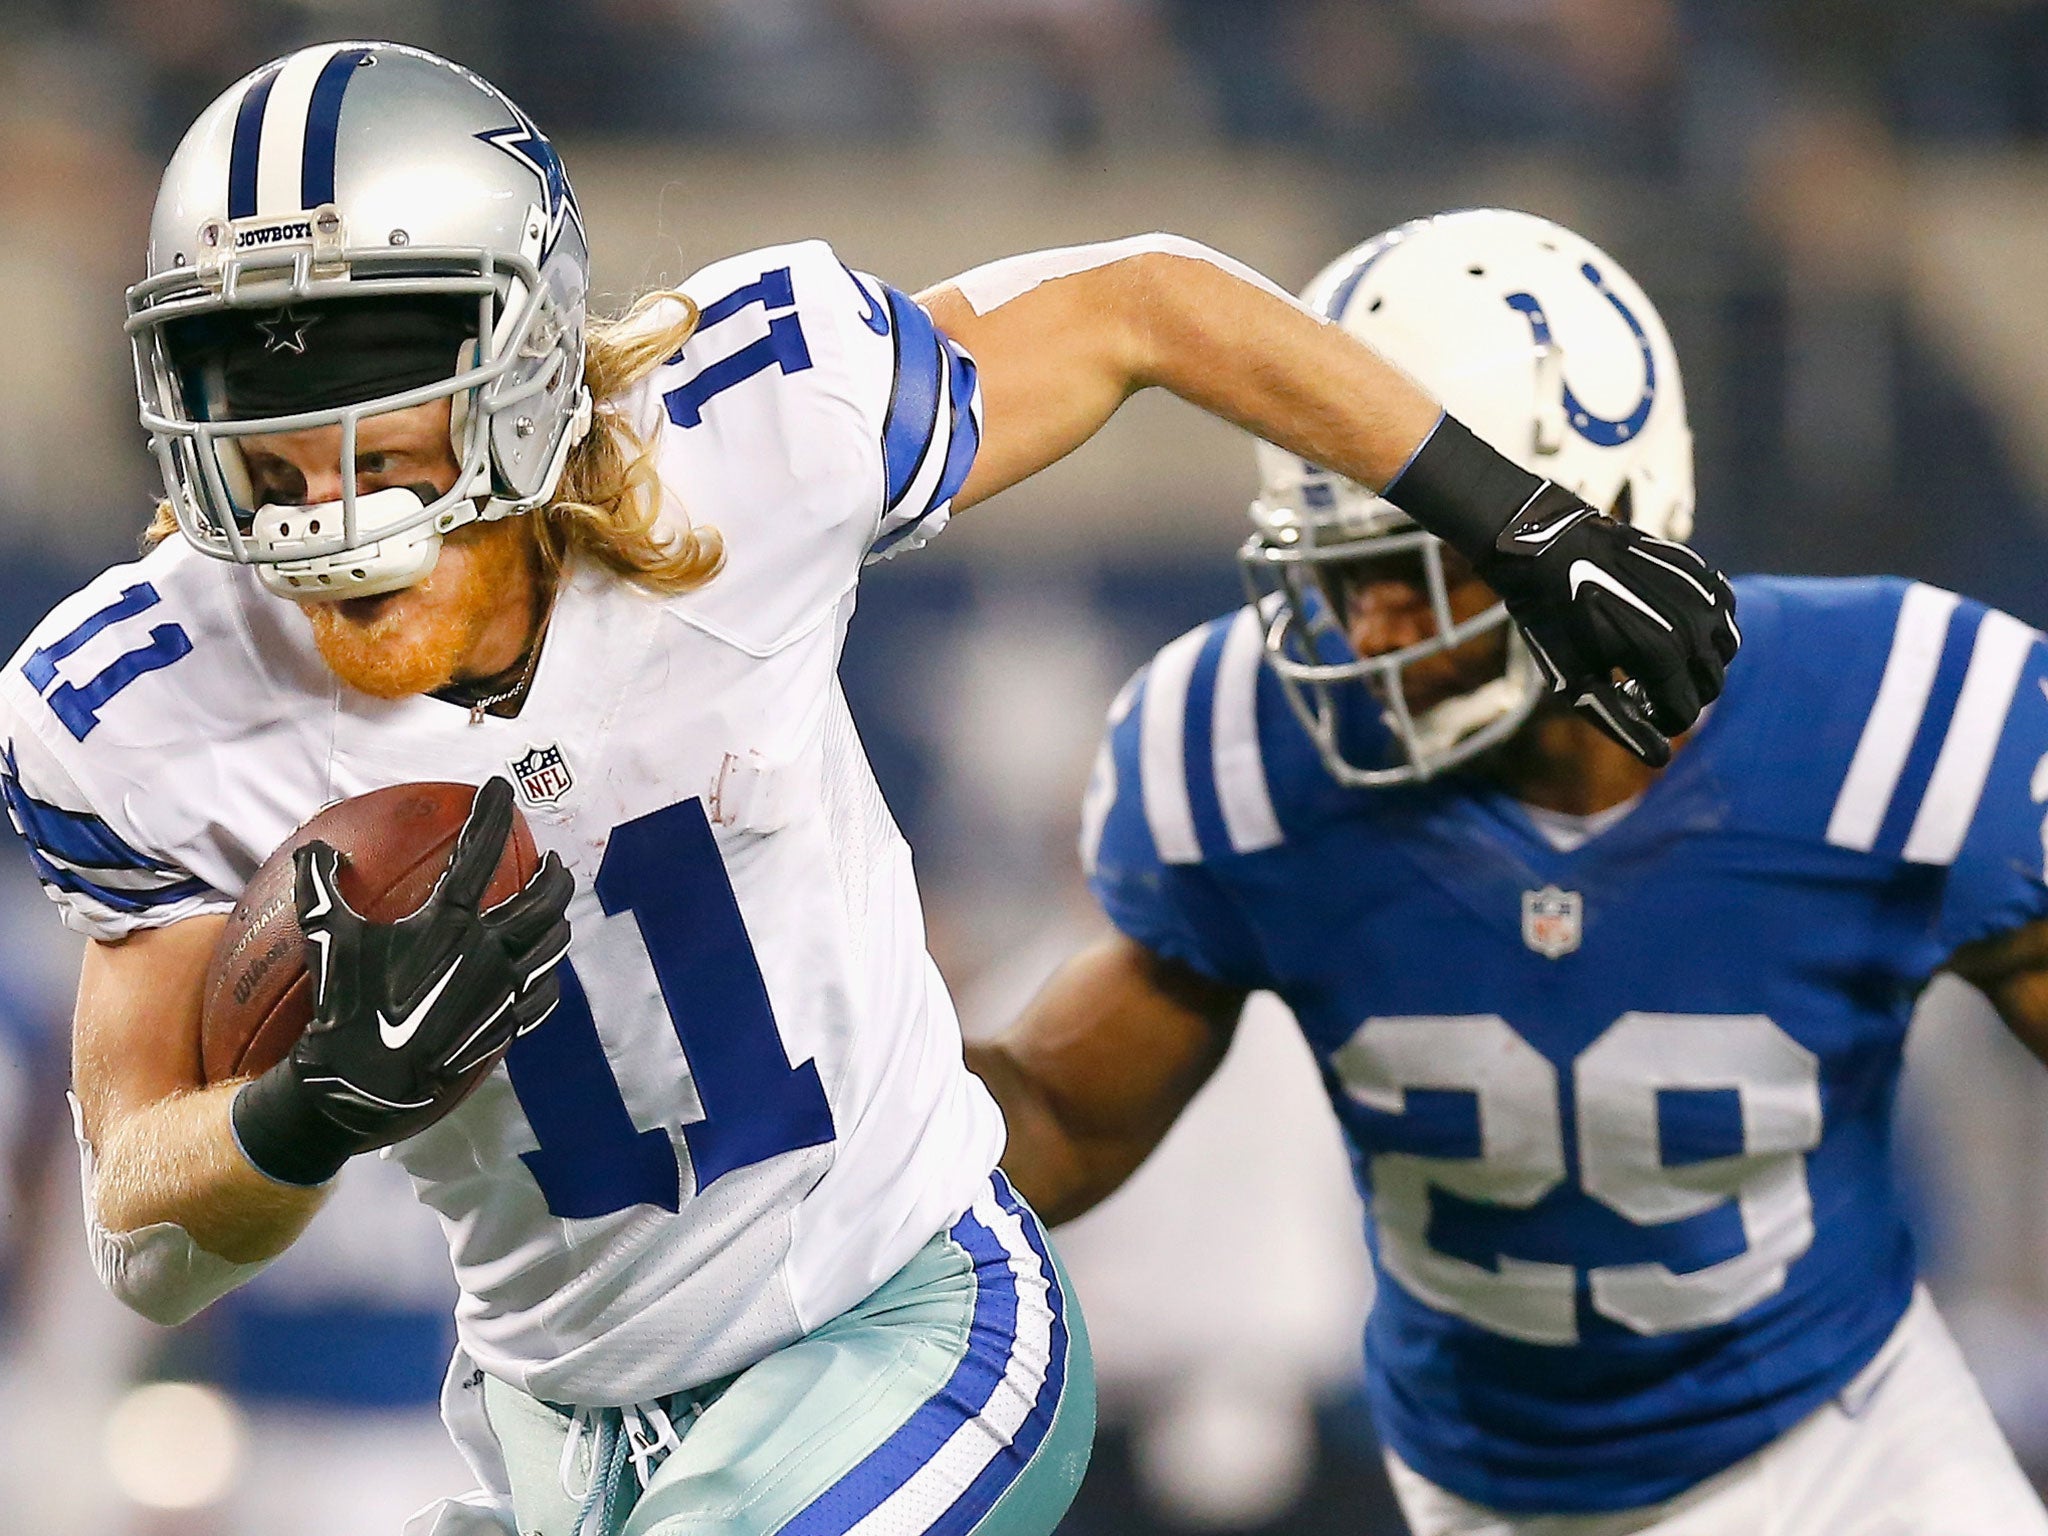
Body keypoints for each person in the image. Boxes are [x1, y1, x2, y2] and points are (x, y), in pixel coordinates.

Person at [0, 36, 1731, 1536]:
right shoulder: (139, 710)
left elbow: (1145, 304)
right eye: (263, 400)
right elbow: (149, 1238)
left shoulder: (757, 431)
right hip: (553, 1426)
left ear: (522, 358)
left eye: (384, 401)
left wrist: (1510, 518)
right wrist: (309, 1114)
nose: (321, 488)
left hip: (903, 1316)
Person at [970, 208, 2048, 1535]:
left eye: (1418, 576)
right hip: (1483, 1493)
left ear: (1616, 526)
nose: (1369, 631)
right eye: (1340, 577)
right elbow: (1064, 1120)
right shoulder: (1244, 758)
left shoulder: (1890, 720)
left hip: (1855, 1454)